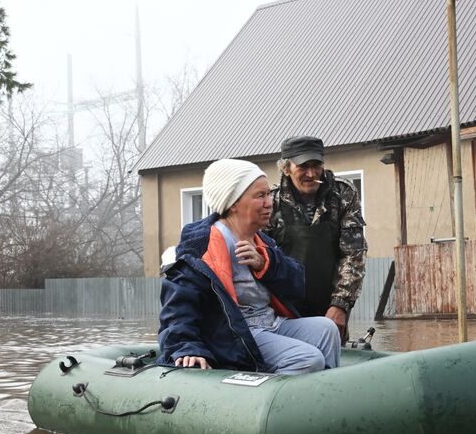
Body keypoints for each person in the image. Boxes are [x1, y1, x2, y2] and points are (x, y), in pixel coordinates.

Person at [157, 159, 341, 374]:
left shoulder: (263, 241)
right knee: (307, 359)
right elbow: (179, 304)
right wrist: (185, 347)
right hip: (236, 335)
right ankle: (272, 393)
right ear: (233, 203)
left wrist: (265, 263)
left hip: (271, 323)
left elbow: (297, 286)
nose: (269, 203)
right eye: (260, 195)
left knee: (327, 329)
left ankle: (327, 392)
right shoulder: (200, 245)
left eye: (268, 194)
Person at [266, 135, 367, 341]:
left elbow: (353, 253)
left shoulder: (343, 194)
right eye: (303, 167)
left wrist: (340, 305)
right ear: (286, 168)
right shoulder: (270, 201)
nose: (311, 174)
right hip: (284, 311)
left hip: (330, 306)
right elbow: (263, 260)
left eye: (316, 165)